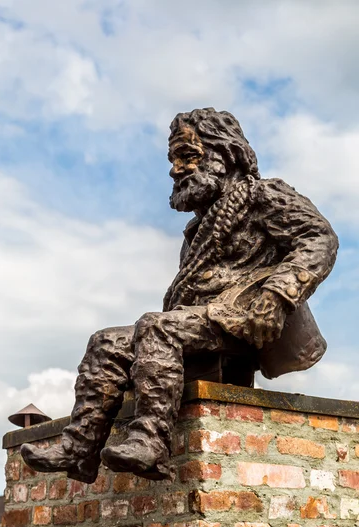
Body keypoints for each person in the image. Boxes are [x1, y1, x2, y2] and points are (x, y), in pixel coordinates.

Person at [21, 108, 338, 483]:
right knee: (106, 343)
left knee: (157, 329)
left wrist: (277, 295)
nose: (176, 169)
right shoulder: (197, 229)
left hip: (242, 317)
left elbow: (320, 238)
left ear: (225, 155)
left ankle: (151, 441)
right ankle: (80, 450)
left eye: (188, 156)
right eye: (173, 159)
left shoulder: (262, 195)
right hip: (199, 320)